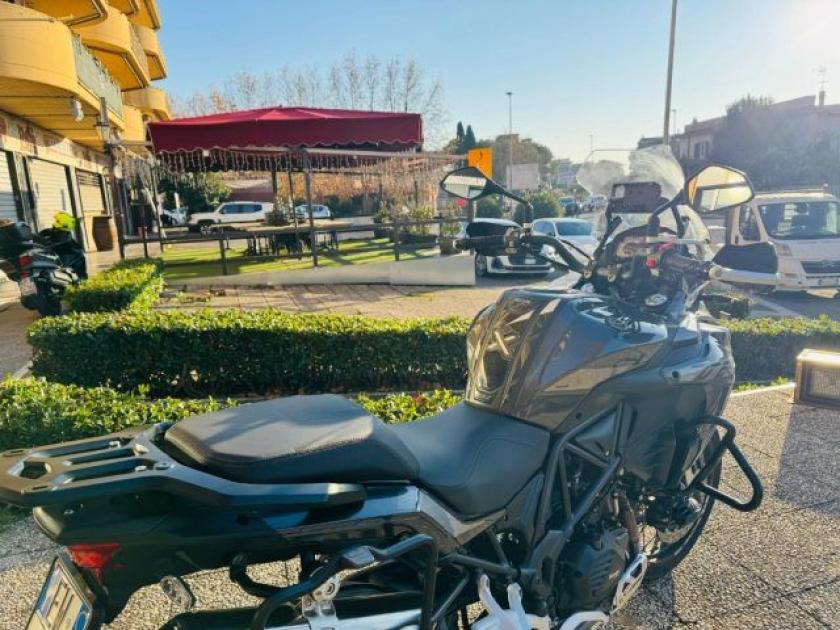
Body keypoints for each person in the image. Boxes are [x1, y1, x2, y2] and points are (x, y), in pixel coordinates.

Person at [37, 211, 87, 279]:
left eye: (56, 227)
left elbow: (81, 275)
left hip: (57, 276)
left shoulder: (74, 250)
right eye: (54, 227)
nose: (54, 227)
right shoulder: (46, 233)